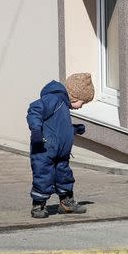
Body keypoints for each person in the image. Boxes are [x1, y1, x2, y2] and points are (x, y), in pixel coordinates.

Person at [27, 73, 95, 218]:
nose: (80, 107)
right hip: (44, 150)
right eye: (82, 103)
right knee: (43, 176)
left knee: (64, 176)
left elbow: (57, 127)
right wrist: (36, 131)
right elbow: (34, 110)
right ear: (74, 96)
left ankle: (66, 203)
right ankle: (38, 205)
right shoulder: (53, 99)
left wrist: (74, 129)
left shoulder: (62, 105)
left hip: (60, 153)